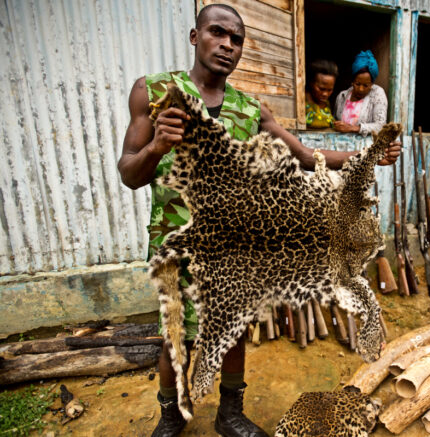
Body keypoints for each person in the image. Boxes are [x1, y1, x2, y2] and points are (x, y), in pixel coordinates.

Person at [118, 5, 400, 437]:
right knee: (173, 337)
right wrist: (156, 146)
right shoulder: (154, 92)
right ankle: (171, 416)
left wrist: (369, 155)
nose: (228, 45)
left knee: (233, 331)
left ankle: (230, 414)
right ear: (196, 37)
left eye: (237, 39)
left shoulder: (249, 110)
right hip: (175, 245)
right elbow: (128, 174)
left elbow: (305, 157)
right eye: (218, 33)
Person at [334, 50, 388, 136]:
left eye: (366, 85)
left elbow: (381, 126)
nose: (361, 89)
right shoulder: (342, 96)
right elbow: (335, 121)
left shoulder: (378, 94)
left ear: (372, 84)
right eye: (357, 84)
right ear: (352, 81)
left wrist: (353, 128)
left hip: (364, 148)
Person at [305, 59, 338, 129]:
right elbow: (313, 123)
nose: (325, 94)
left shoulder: (326, 103)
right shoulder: (302, 102)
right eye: (321, 89)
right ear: (311, 83)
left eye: (330, 90)